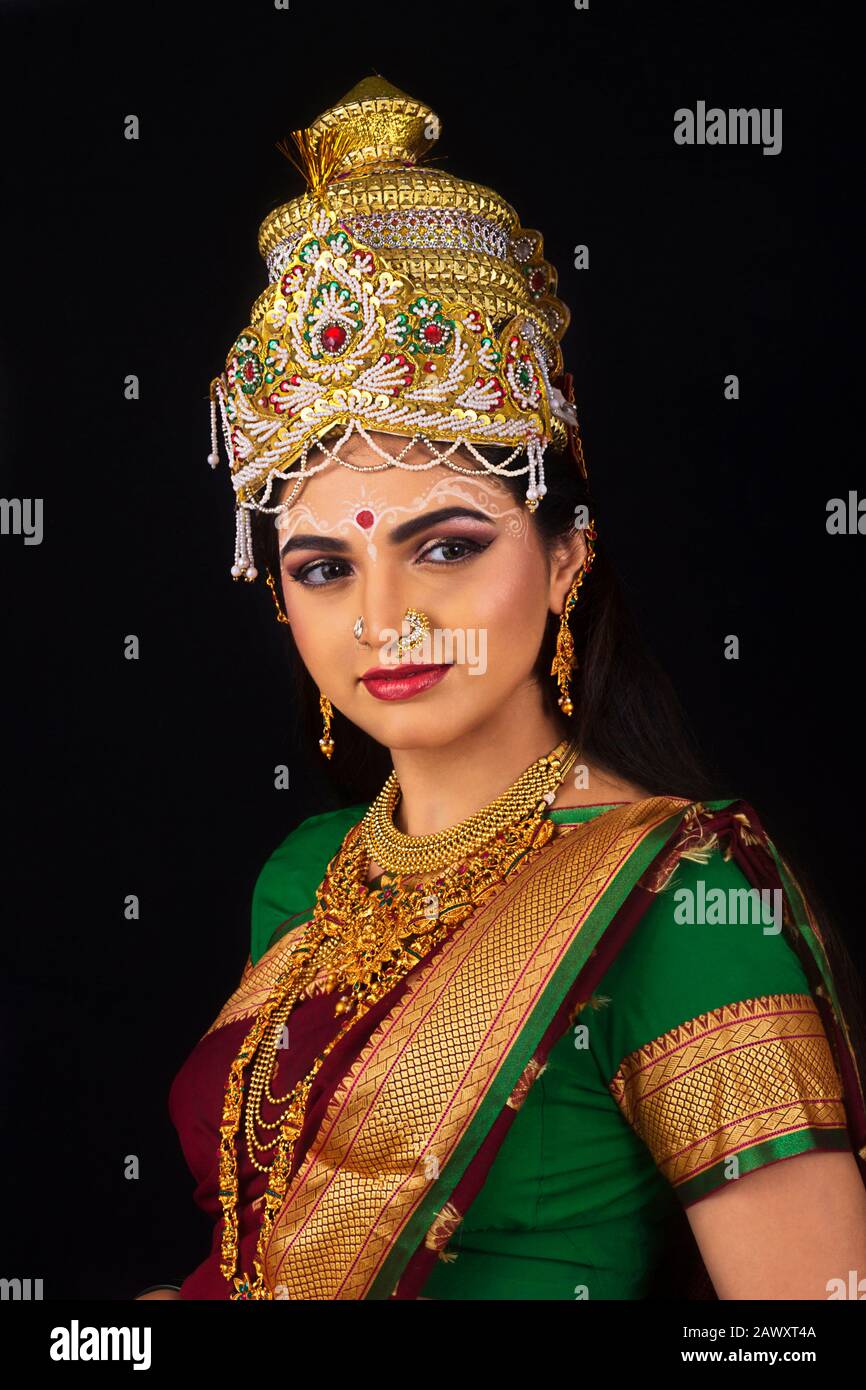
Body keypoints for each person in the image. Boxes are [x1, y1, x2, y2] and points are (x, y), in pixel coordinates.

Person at [138, 75, 866, 1300]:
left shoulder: (682, 908)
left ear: (566, 554)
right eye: (324, 566)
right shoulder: (306, 875)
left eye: (447, 544)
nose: (383, 618)